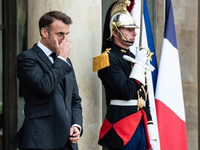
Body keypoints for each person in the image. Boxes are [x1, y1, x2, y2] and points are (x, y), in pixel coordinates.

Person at [11, 10, 83, 150]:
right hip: (41, 139)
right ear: (44, 32)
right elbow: (45, 86)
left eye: (66, 34)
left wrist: (76, 125)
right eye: (60, 34)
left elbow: (75, 99)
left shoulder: (64, 60)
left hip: (68, 141)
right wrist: (62, 59)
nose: (64, 40)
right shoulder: (27, 58)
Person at [93, 0, 156, 149]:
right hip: (122, 124)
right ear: (115, 32)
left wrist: (150, 127)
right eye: (128, 29)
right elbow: (127, 91)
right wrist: (140, 65)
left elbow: (143, 95)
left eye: (134, 29)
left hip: (140, 121)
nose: (134, 33)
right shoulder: (108, 59)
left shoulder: (135, 57)